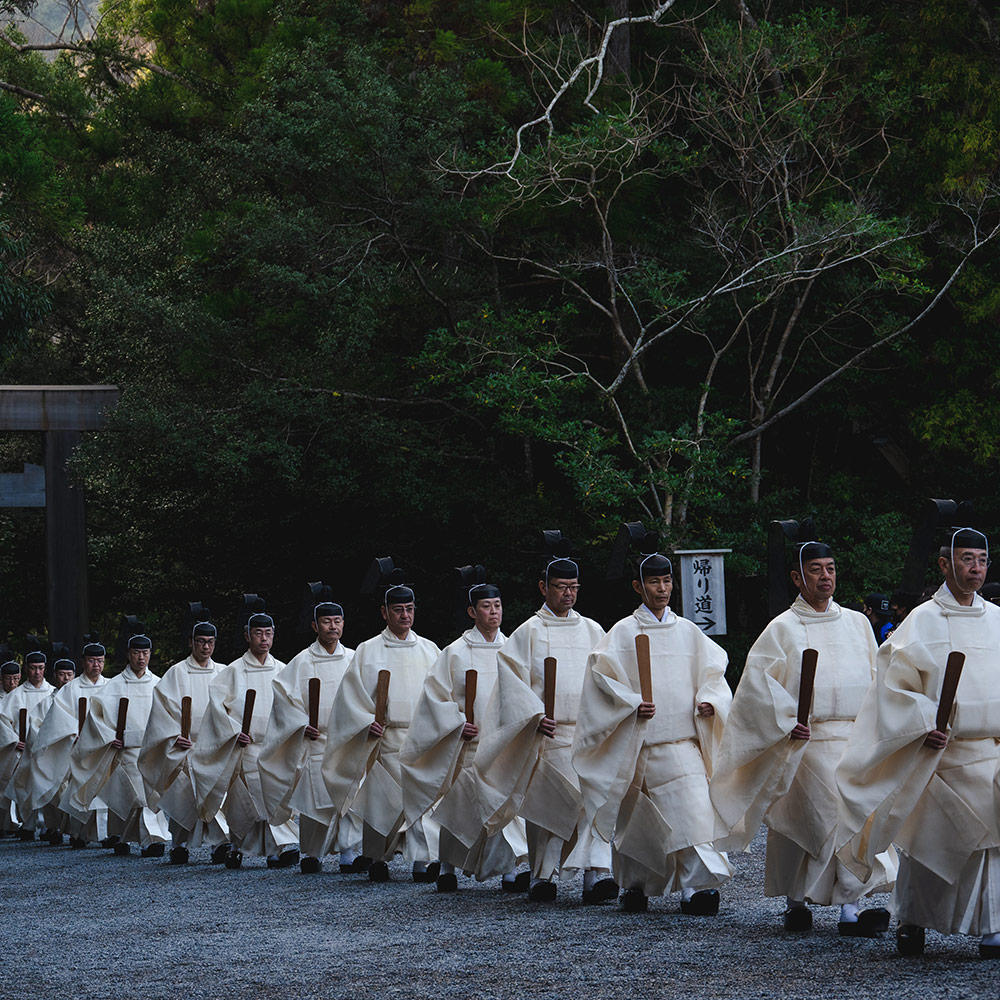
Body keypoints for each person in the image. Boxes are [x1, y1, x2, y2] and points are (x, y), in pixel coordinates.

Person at [710, 541, 895, 934]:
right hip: (804, 739)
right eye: (816, 570)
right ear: (797, 577)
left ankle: (824, 903)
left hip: (853, 736)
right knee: (827, 816)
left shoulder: (857, 624)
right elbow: (756, 689)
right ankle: (847, 909)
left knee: (850, 817)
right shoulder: (782, 628)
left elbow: (878, 679)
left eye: (830, 568)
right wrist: (785, 720)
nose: (825, 576)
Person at [837, 528, 1000, 958]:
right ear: (945, 564)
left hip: (989, 753)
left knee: (990, 847)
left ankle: (991, 926)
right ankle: (912, 921)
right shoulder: (922, 620)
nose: (977, 568)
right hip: (938, 754)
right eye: (967, 559)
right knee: (927, 845)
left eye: (982, 560)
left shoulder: (997, 619)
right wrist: (923, 720)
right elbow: (893, 682)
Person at [573, 552, 732, 912]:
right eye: (654, 582)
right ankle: (636, 884)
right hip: (639, 743)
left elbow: (713, 673)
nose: (662, 589)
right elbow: (600, 681)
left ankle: (697, 887)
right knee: (640, 824)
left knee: (694, 810)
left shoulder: (689, 632)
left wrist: (709, 701)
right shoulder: (621, 633)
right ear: (637, 586)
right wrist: (629, 704)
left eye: (667, 582)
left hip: (682, 741)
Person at [473, 557, 609, 902]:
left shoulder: (593, 630)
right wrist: (533, 714)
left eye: (574, 587)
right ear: (543, 587)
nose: (568, 594)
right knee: (550, 804)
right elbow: (510, 684)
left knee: (591, 803)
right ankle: (542, 875)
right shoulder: (527, 632)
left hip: (586, 732)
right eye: (561, 587)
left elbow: (609, 676)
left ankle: (595, 875)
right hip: (547, 733)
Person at [401, 581, 528, 892]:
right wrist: (457, 722)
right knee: (458, 805)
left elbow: (524, 693)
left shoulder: (512, 649)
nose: (494, 612)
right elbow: (434, 697)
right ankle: (446, 866)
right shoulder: (455, 653)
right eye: (487, 606)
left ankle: (510, 869)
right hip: (467, 744)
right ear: (472, 611)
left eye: (497, 605)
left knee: (503, 804)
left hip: (501, 743)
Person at [322, 582, 440, 882]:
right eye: (398, 610)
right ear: (384, 613)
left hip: (420, 736)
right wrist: (365, 722)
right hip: (383, 738)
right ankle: (377, 857)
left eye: (409, 610)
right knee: (381, 799)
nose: (405, 616)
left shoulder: (430, 650)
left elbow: (442, 693)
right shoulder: (368, 650)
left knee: (422, 797)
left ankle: (422, 861)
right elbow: (350, 697)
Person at [190, 611, 299, 869]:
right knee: (249, 797)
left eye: (268, 633)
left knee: (275, 792)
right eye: (258, 633)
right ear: (247, 635)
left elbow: (294, 705)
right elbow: (217, 709)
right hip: (246, 744)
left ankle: (277, 848)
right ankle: (239, 846)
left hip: (274, 744)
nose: (264, 639)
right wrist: (232, 731)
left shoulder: (283, 670)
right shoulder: (232, 672)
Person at [259, 597, 357, 874]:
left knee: (348, 795)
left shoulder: (353, 659)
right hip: (315, 738)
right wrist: (301, 724)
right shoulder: (302, 661)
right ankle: (312, 853)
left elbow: (364, 695)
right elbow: (284, 698)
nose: (332, 627)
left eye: (337, 621)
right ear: (315, 625)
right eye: (326, 622)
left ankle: (348, 852)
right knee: (315, 799)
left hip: (346, 738)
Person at [66, 633, 170, 856]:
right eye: (136, 653)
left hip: (151, 748)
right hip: (126, 749)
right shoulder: (115, 685)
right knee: (133, 793)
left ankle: (143, 838)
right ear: (128, 655)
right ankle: (144, 838)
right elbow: (96, 716)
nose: (140, 658)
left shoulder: (158, 684)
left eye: (144, 653)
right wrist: (108, 736)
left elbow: (168, 713)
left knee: (149, 794)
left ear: (150, 655)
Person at [138, 619, 228, 864]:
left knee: (215, 795)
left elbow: (232, 707)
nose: (206, 647)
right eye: (201, 641)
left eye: (210, 642)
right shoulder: (176, 673)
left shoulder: (223, 673)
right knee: (181, 795)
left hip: (213, 746)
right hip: (183, 745)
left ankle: (220, 844)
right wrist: (174, 735)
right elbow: (161, 710)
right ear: (191, 642)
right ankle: (179, 844)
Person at [27, 641, 108, 846]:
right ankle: (78, 833)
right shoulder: (70, 690)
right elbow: (57, 719)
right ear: (83, 662)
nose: (96, 665)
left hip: (104, 747)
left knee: (105, 788)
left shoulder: (111, 686)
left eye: (99, 661)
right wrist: (72, 734)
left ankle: (107, 834)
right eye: (91, 661)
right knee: (76, 788)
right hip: (75, 746)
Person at [1, 651, 55, 840]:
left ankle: (50, 826)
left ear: (45, 668)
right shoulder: (17, 695)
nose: (37, 672)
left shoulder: (53, 692)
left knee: (47, 784)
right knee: (25, 784)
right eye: (33, 668)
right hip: (23, 748)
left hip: (47, 747)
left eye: (40, 668)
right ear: (26, 669)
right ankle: (28, 824)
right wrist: (15, 740)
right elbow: (2, 719)